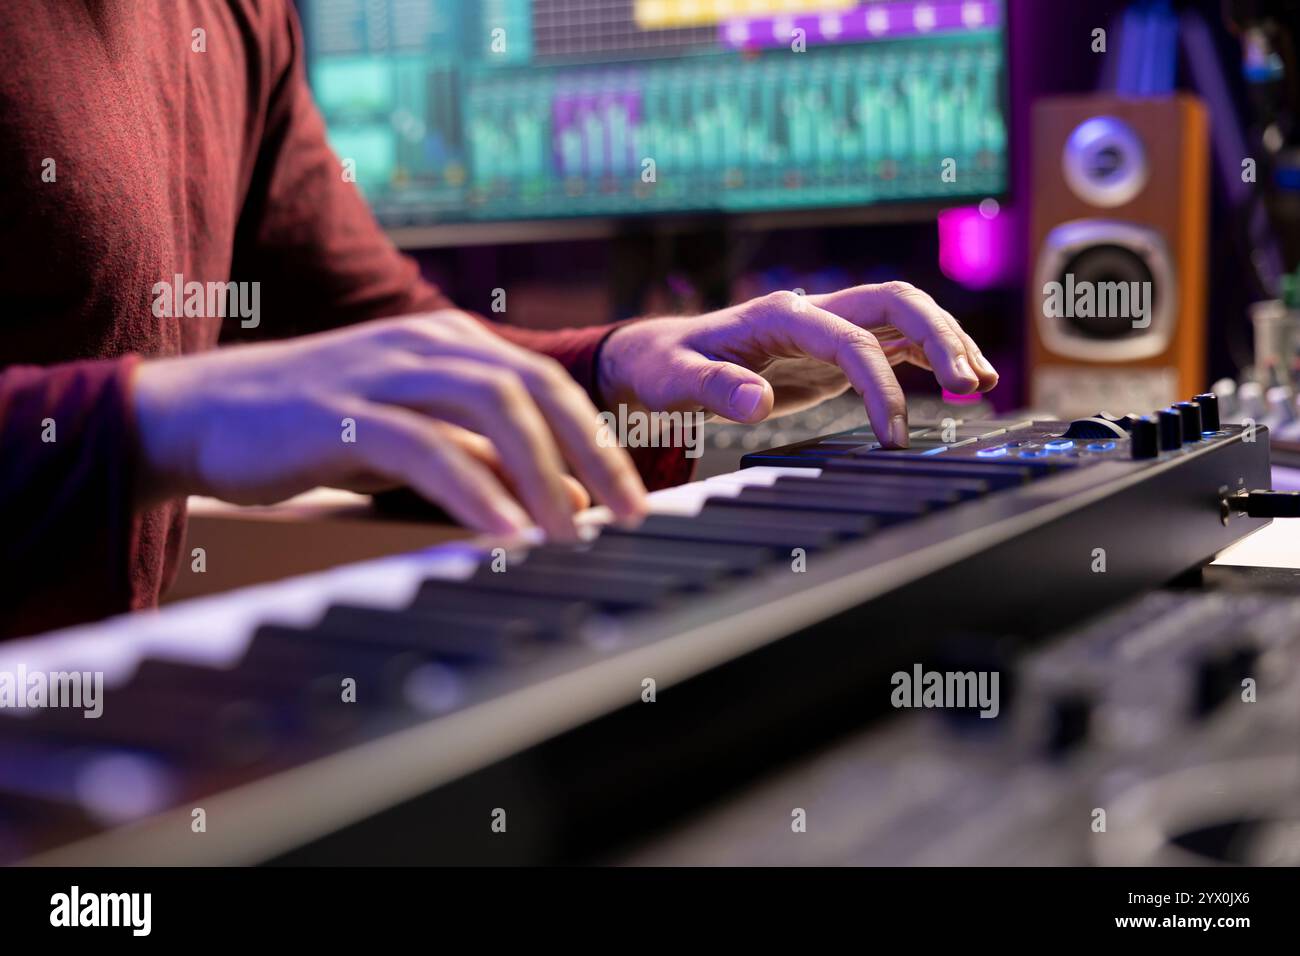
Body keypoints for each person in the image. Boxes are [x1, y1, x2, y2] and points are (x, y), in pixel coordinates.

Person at [0, 0, 997, 639]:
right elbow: (206, 400)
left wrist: (617, 366)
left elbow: (389, 339)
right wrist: (150, 420)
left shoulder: (233, 17)